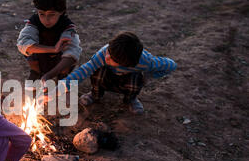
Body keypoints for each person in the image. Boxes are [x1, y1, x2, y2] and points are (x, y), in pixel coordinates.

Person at [49, 31, 177, 115]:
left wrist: (148, 76)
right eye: (109, 51)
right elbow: (83, 71)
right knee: (98, 72)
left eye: (112, 59)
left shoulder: (146, 62)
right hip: (107, 78)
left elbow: (171, 65)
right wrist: (59, 88)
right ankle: (95, 94)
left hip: (127, 80)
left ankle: (130, 100)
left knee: (136, 80)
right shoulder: (104, 54)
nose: (107, 57)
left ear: (126, 63)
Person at [17, 0, 82, 82]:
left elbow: (72, 54)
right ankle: (36, 72)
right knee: (31, 47)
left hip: (59, 62)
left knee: (68, 60)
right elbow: (23, 44)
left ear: (61, 12)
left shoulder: (67, 27)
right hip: (41, 60)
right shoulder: (34, 23)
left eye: (51, 15)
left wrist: (49, 75)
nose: (46, 20)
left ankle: (62, 75)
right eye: (41, 14)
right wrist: (53, 49)